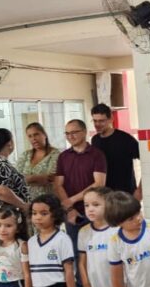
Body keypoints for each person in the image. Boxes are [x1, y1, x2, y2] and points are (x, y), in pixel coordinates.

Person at [54, 119, 107, 258]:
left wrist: (72, 199)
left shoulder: (97, 155)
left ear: (84, 132)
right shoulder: (63, 157)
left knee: (99, 252)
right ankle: (81, 281)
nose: (70, 136)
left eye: (74, 132)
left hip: (95, 210)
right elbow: (58, 184)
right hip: (72, 214)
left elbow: (99, 183)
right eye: (67, 133)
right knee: (77, 253)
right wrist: (70, 209)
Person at [90, 104, 141, 198]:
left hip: (125, 194)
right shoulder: (95, 140)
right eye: (95, 121)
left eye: (101, 121)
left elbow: (147, 162)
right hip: (104, 195)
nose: (97, 125)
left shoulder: (126, 139)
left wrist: (140, 191)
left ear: (110, 119)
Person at [16, 123, 60, 201]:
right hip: (26, 202)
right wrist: (37, 178)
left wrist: (28, 178)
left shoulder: (55, 154)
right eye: (30, 136)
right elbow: (15, 178)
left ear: (44, 135)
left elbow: (50, 178)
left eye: (36, 134)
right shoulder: (25, 155)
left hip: (47, 201)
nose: (33, 139)